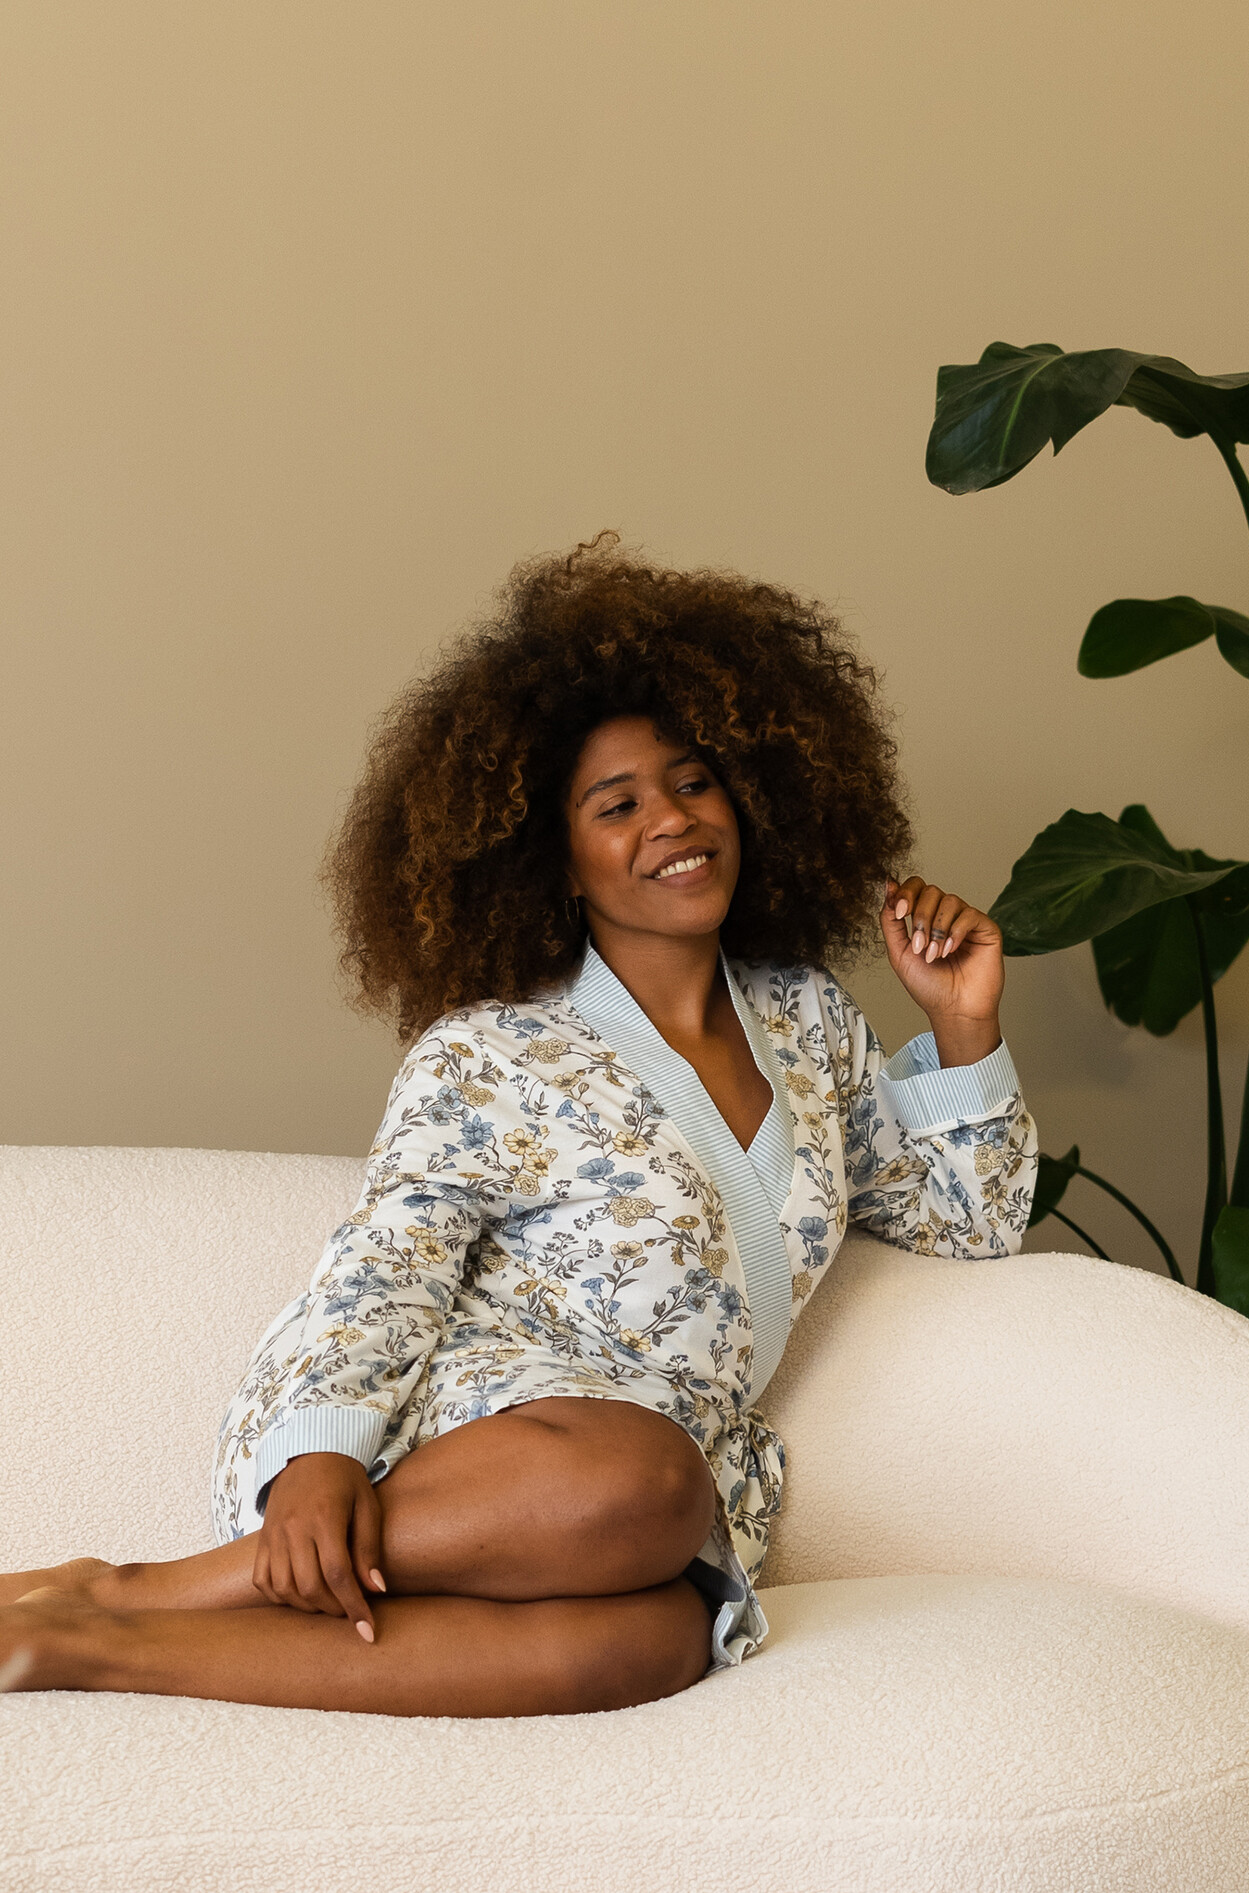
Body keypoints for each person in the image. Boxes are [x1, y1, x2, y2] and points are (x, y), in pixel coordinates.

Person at [0, 537, 1037, 1716]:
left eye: (694, 782)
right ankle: (141, 1585)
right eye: (617, 805)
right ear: (557, 861)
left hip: (644, 1497)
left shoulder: (809, 1021)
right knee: (648, 1477)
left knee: (659, 1641)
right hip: (469, 1448)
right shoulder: (491, 1049)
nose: (672, 820)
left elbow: (964, 1227)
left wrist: (961, 1022)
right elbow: (387, 1263)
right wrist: (318, 1456)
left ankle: (85, 1643)